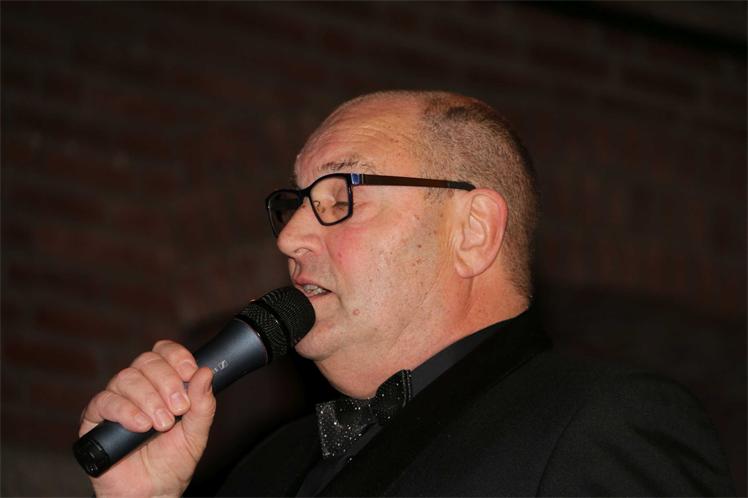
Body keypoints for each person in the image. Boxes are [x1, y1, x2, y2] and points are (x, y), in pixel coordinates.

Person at [79, 91, 735, 496]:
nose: (292, 237)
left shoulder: (601, 424)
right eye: (295, 204)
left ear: (473, 231)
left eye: (341, 195)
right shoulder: (265, 469)